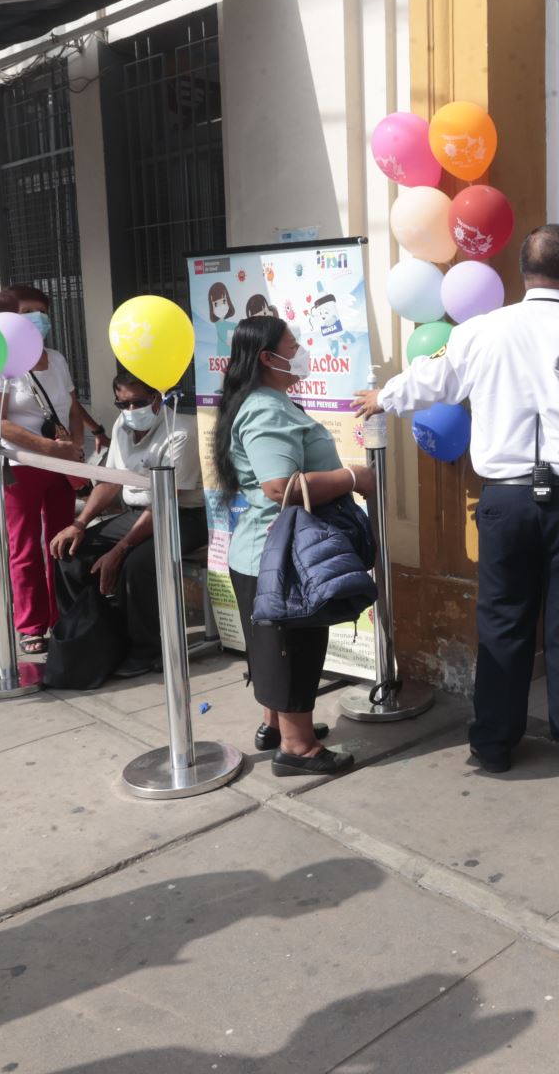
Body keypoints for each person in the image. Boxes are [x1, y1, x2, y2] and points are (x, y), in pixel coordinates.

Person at [355, 224, 559, 773]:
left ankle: (493, 743)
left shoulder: (480, 331)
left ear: (523, 274)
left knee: (503, 623)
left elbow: (430, 380)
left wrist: (382, 397)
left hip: (505, 503)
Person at [216, 316, 372, 775]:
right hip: (282, 554)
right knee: (294, 645)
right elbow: (279, 484)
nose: (301, 350)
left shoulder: (266, 401)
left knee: (273, 644)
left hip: (265, 551)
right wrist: (354, 478)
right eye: (293, 344)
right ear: (268, 357)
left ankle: (276, 725)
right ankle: (297, 748)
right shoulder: (265, 408)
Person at [50, 369, 207, 678]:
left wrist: (120, 550)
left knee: (138, 565)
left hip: (183, 515)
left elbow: (166, 502)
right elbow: (111, 483)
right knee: (69, 553)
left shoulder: (181, 431)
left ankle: (145, 650)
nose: (131, 411)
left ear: (157, 398)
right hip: (140, 512)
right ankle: (86, 634)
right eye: (123, 404)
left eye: (138, 403)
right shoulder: (122, 425)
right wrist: (79, 524)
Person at [0, 285, 94, 655]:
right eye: (27, 311)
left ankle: (62, 614)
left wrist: (74, 445)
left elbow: (73, 406)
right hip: (21, 465)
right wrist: (48, 448)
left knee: (61, 542)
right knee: (24, 547)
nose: (37, 318)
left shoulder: (56, 359)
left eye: (42, 311)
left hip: (59, 465)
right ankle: (31, 624)